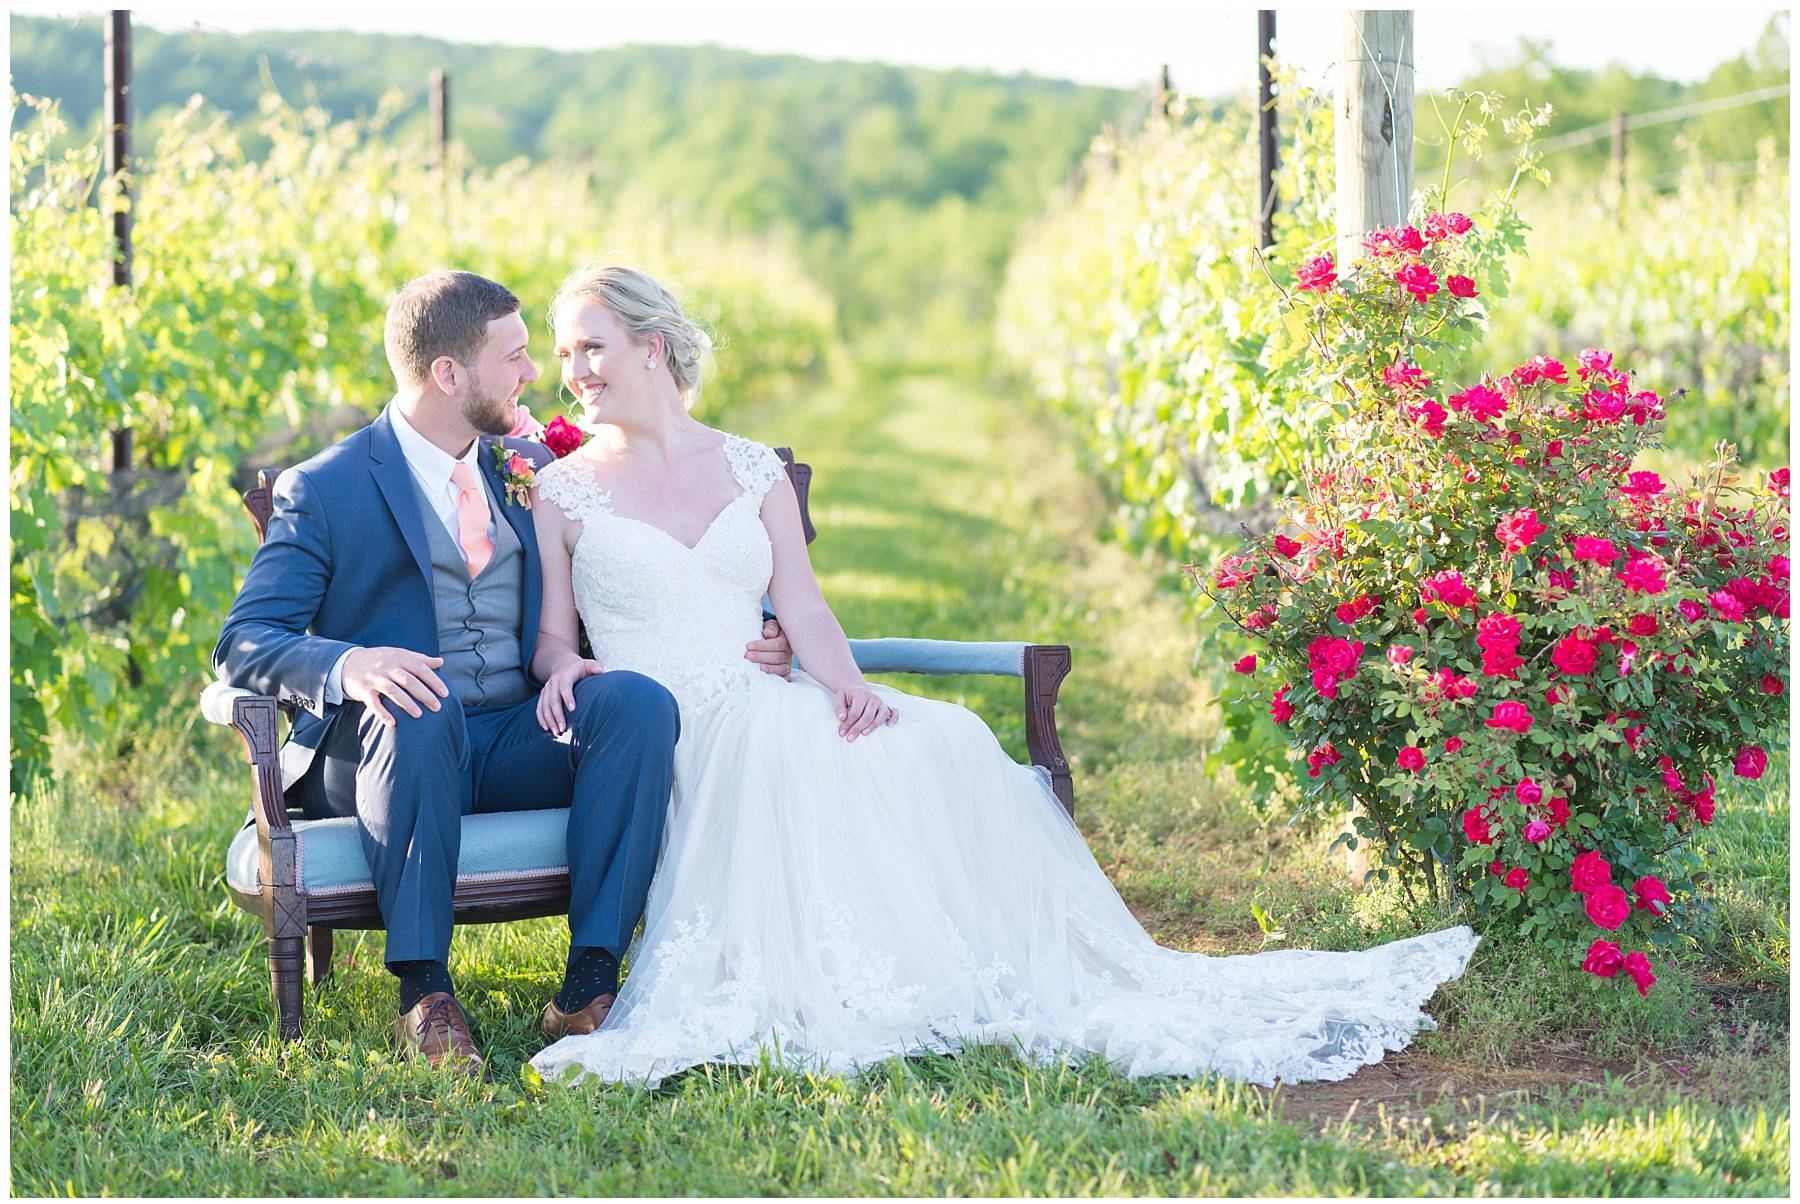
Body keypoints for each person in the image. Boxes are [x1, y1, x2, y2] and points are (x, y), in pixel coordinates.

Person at [525, 261, 1480, 1088]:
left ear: (653, 345)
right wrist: (568, 665)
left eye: (589, 348)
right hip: (660, 722)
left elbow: (804, 608)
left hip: (763, 688)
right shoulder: (563, 490)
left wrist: (847, 682)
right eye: (565, 356)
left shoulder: (748, 467)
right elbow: (552, 642)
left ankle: (957, 966)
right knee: (796, 761)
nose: (574, 373)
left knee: (936, 737)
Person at [213, 270, 794, 1072]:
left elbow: (643, 557)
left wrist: (762, 620)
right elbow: (245, 639)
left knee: (632, 704)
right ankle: (424, 993)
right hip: (389, 749)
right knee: (415, 706)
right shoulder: (327, 487)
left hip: (520, 734)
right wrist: (353, 664)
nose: (533, 377)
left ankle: (590, 981)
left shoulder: (526, 467)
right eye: (516, 358)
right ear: (449, 375)